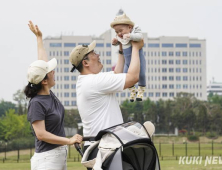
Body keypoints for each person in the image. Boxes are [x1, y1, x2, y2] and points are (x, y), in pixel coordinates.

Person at [69, 33, 144, 153]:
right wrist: (136, 47)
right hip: (103, 148)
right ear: (85, 63)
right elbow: (133, 78)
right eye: (93, 53)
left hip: (101, 146)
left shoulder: (89, 80)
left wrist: (121, 48)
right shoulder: (94, 82)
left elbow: (117, 75)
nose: (97, 55)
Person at [24, 21, 83, 170]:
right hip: (46, 159)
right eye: (51, 72)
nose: (53, 72)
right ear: (44, 81)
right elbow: (41, 134)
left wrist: (39, 38)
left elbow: (43, 62)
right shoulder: (37, 103)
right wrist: (68, 141)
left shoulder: (48, 93)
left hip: (57, 155)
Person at [111, 13, 146, 102]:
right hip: (127, 62)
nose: (119, 33)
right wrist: (115, 42)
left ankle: (141, 91)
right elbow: (120, 43)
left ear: (129, 27)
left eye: (120, 30)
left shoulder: (134, 32)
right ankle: (132, 90)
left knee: (141, 74)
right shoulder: (121, 37)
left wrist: (131, 36)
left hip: (138, 61)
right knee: (125, 76)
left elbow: (140, 37)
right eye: (117, 32)